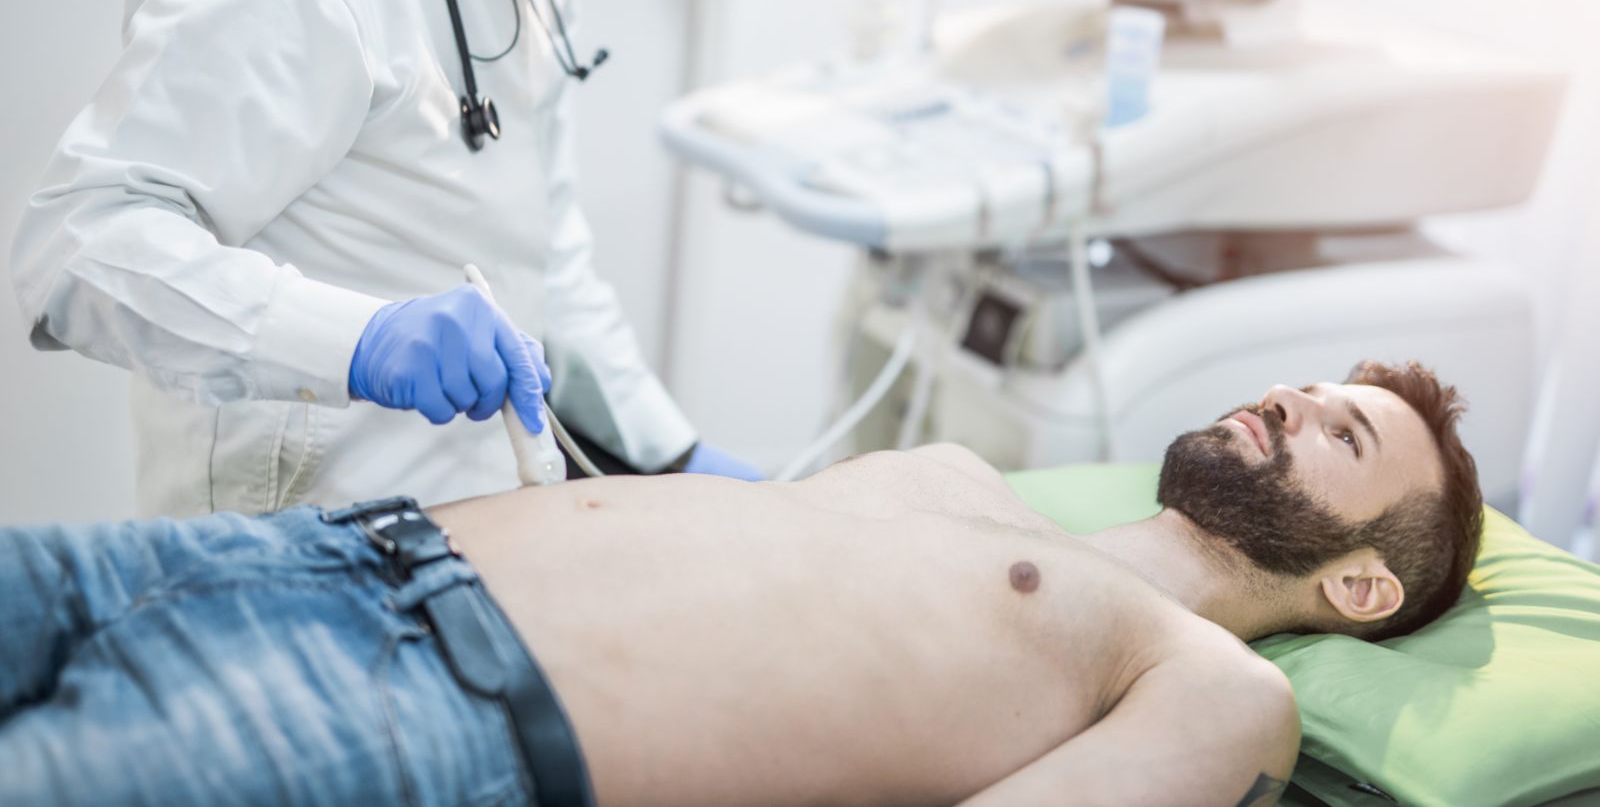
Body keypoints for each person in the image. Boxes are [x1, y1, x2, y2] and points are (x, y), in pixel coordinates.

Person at [0, 361, 1484, 806]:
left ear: (1360, 591)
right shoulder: (958, 475)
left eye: (1343, 432)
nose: (1290, 402)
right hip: (316, 555)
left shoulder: (1207, 686)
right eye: (1304, 385)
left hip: (408, 717)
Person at [8, 0, 773, 519]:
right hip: (295, 543)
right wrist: (360, 341)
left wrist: (672, 453)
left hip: (466, 522)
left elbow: (550, 264)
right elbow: (77, 251)